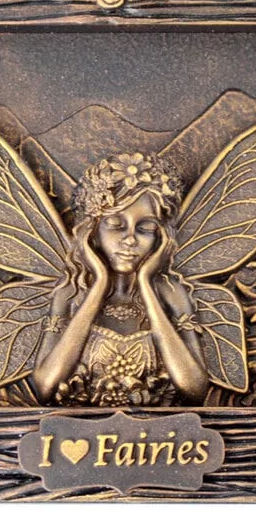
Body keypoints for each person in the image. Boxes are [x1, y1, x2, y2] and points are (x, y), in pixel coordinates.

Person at [32, 152, 209, 407]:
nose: (130, 240)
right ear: (92, 232)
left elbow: (195, 388)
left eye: (146, 228)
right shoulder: (69, 294)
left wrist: (147, 283)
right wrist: (99, 284)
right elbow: (44, 386)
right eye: (116, 225)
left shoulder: (172, 294)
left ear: (160, 237)